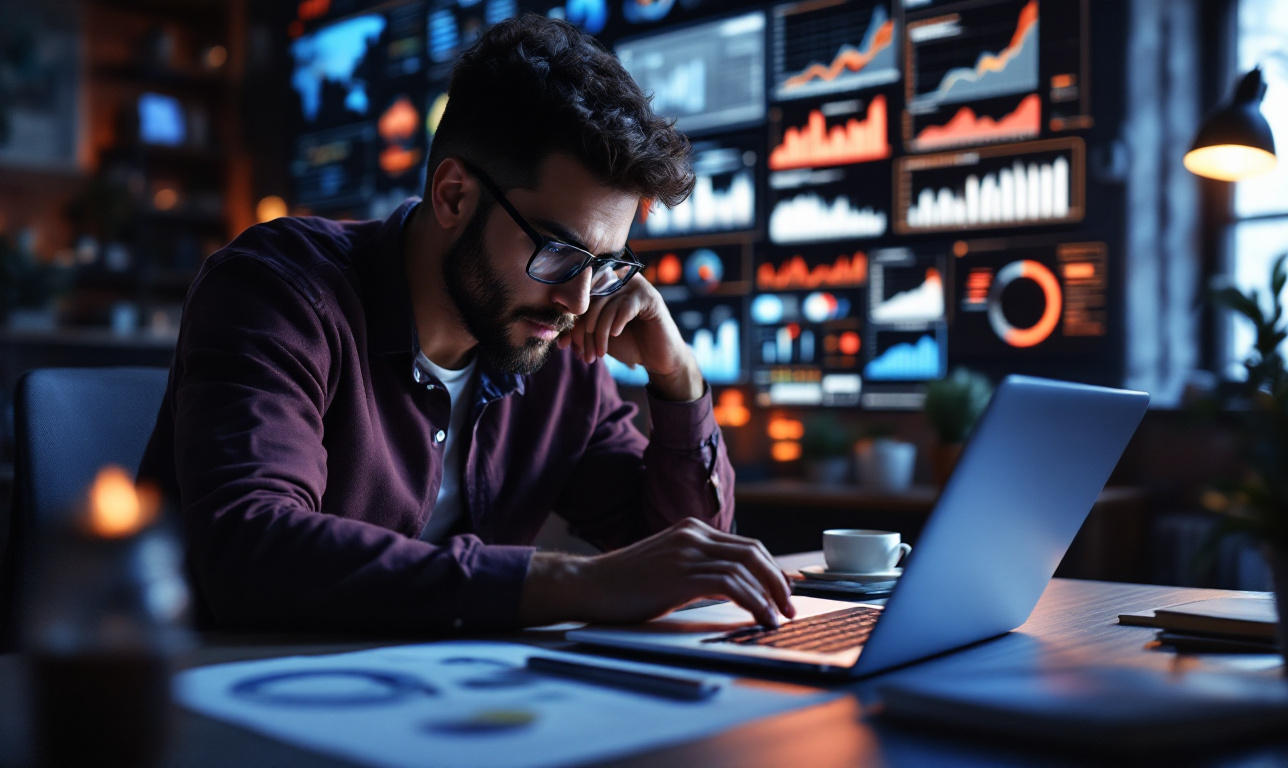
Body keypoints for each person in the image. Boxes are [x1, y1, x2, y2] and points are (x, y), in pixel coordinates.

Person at [138, 14, 795, 634]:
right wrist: (573, 582)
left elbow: (687, 563)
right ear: (453, 195)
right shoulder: (280, 287)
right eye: (561, 252)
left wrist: (677, 377)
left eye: (605, 263)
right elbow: (253, 550)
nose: (578, 298)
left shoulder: (555, 348)